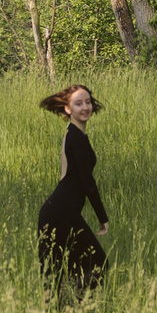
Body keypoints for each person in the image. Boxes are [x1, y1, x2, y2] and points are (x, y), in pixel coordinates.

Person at [37, 84, 108, 294]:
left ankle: (72, 311)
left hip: (60, 211)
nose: (85, 107)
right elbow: (87, 182)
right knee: (97, 263)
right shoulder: (76, 137)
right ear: (68, 109)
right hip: (61, 212)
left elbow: (65, 174)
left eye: (87, 102)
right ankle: (78, 308)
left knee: (66, 269)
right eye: (78, 104)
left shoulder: (73, 133)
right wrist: (102, 217)